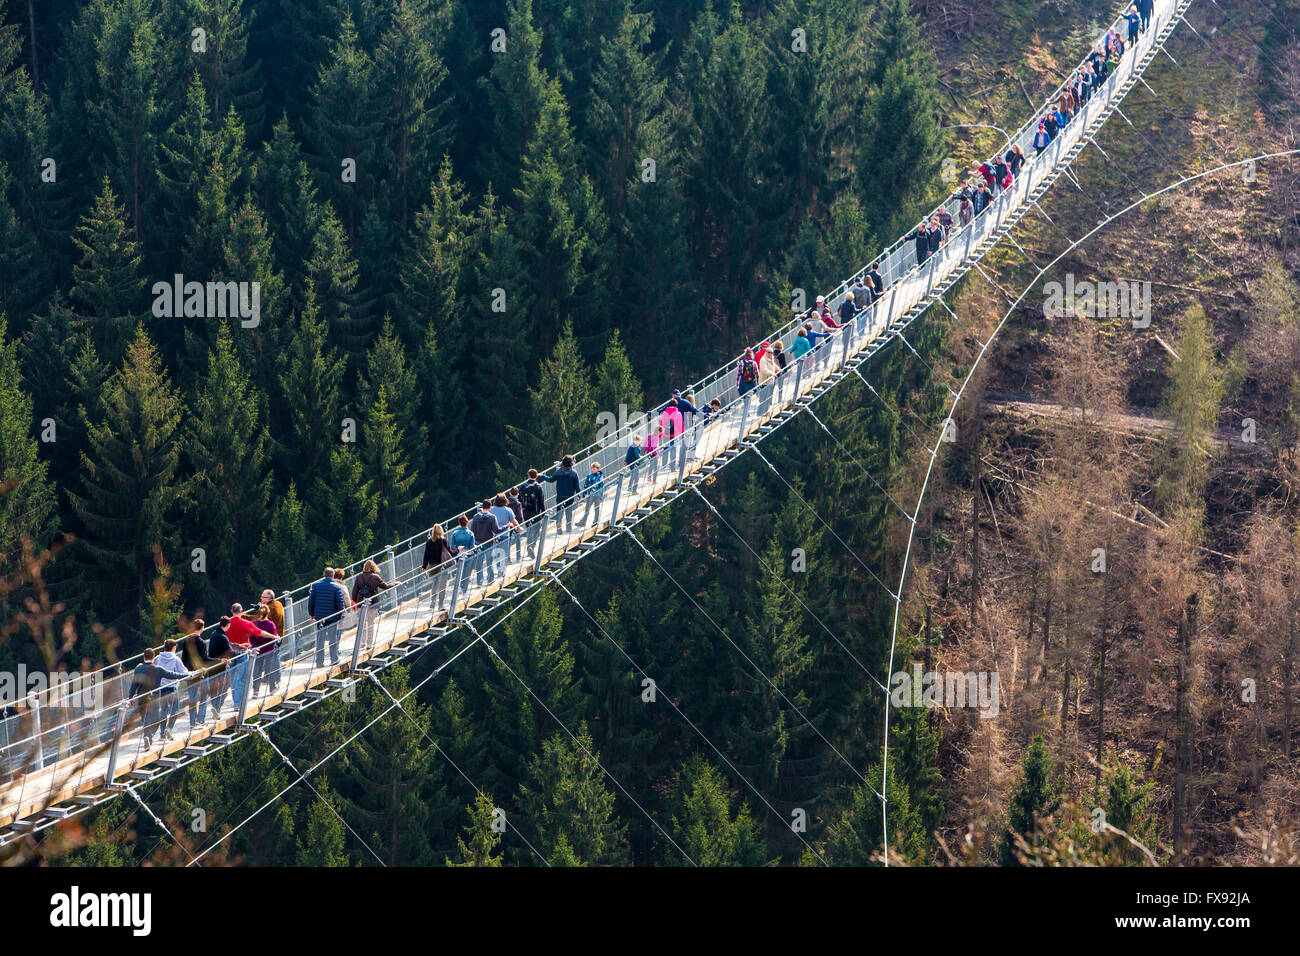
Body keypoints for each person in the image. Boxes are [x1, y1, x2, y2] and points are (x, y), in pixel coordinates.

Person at [128, 648, 191, 748]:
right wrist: (187, 675)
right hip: (154, 699)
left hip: (141, 699)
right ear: (153, 658)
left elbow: (133, 685)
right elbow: (173, 675)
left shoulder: (138, 669)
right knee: (155, 721)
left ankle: (147, 738)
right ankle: (149, 738)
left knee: (145, 721)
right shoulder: (158, 669)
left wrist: (130, 698)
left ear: (144, 657)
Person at [308, 566, 347, 669]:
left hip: (320, 618)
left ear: (324, 574)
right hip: (332, 618)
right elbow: (340, 604)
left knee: (320, 640)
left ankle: (319, 662)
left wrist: (312, 613)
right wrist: (340, 616)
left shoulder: (316, 586)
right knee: (332, 639)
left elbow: (310, 601)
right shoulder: (336, 587)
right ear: (333, 576)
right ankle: (334, 660)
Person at [351, 559, 394, 647]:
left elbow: (354, 591)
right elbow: (386, 586)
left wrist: (354, 604)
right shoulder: (375, 577)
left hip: (361, 602)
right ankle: (369, 644)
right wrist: (395, 583)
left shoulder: (359, 577)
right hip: (373, 603)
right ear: (373, 567)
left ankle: (362, 643)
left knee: (362, 623)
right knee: (371, 623)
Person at [182, 618, 217, 726]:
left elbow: (183, 659)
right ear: (202, 628)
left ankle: (192, 722)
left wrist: (187, 671)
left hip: (190, 674)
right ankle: (200, 719)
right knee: (203, 697)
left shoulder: (186, 641)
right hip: (200, 673)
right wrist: (218, 660)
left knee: (192, 698)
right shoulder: (202, 642)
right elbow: (204, 659)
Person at [155, 639, 187, 739]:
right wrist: (190, 674)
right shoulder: (176, 659)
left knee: (163, 710)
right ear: (173, 648)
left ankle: (162, 735)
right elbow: (183, 672)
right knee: (175, 709)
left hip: (161, 688)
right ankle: (169, 728)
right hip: (172, 688)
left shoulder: (157, 658)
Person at [541, 456, 581, 533]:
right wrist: (578, 495)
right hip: (570, 496)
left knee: (559, 512)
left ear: (563, 462)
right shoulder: (574, 473)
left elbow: (551, 480)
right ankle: (568, 527)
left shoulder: (559, 471)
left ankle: (559, 528)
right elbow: (577, 486)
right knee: (569, 512)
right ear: (571, 463)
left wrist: (543, 476)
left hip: (560, 496)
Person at [421, 523, 456, 609]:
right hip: (442, 566)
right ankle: (440, 604)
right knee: (442, 585)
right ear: (441, 531)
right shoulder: (443, 541)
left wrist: (424, 566)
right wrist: (457, 551)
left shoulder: (429, 542)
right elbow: (450, 553)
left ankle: (433, 602)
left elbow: (426, 555)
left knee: (435, 584)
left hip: (432, 566)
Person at [248, 605, 280, 696]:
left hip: (257, 650)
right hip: (268, 650)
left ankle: (256, 691)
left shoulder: (254, 623)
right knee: (269, 669)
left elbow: (251, 636)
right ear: (268, 613)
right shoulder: (271, 624)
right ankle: (272, 689)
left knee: (257, 671)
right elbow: (275, 637)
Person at [470, 500, 503, 584]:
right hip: (489, 542)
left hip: (478, 544)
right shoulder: (492, 517)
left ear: (482, 507)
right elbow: (497, 530)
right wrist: (507, 526)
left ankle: (479, 583)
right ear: (490, 507)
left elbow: (472, 531)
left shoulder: (476, 517)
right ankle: (490, 580)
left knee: (479, 565)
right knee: (489, 562)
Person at [448, 514, 477, 600]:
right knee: (467, 574)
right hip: (468, 555)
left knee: (460, 572)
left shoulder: (455, 533)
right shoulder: (470, 533)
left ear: (459, 523)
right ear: (467, 523)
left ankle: (459, 588)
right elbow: (472, 546)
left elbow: (452, 546)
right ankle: (464, 592)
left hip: (458, 556)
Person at [519, 470, 547, 557]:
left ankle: (528, 547)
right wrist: (543, 512)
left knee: (529, 530)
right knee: (536, 529)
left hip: (526, 511)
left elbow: (519, 498)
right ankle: (532, 546)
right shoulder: (538, 487)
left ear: (528, 476)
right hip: (536, 511)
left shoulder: (523, 486)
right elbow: (541, 500)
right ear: (536, 476)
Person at [489, 494, 518, 574]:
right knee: (504, 553)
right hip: (505, 535)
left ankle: (499, 569)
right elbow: (513, 521)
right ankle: (501, 571)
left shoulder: (491, 510)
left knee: (497, 553)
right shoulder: (508, 510)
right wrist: (518, 527)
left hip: (494, 535)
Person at [579, 462, 605, 526]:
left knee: (596, 508)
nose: (592, 470)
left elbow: (601, 487)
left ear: (598, 469)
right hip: (590, 495)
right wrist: (584, 495)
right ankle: (583, 522)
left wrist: (601, 497)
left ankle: (595, 522)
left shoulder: (600, 476)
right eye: (592, 469)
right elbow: (586, 485)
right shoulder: (589, 476)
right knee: (587, 508)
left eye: (594, 469)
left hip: (597, 495)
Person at [507, 488, 525, 562]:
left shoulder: (506, 503)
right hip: (516, 522)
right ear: (518, 494)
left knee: (508, 540)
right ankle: (518, 556)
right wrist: (519, 524)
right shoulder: (518, 503)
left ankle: (508, 558)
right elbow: (519, 515)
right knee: (518, 539)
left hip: (509, 523)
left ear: (509, 493)